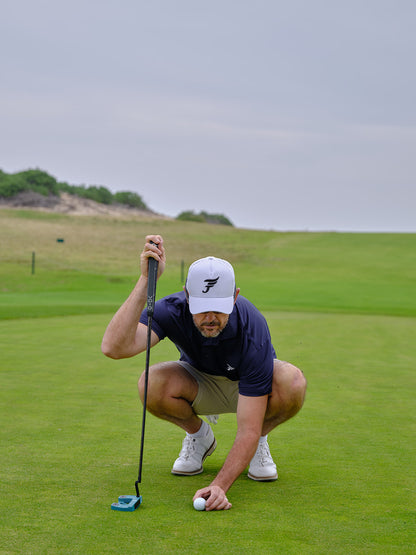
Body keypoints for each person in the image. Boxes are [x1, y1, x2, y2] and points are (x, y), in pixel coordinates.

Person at [101, 235, 307, 511]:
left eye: (219, 309)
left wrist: (220, 485)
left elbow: (246, 427)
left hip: (250, 387)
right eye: (201, 309)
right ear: (187, 296)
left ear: (234, 297)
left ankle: (260, 444)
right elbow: (114, 347)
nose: (210, 318)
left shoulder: (252, 326)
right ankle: (200, 437)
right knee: (150, 382)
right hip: (200, 383)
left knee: (292, 381)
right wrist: (145, 282)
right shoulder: (172, 310)